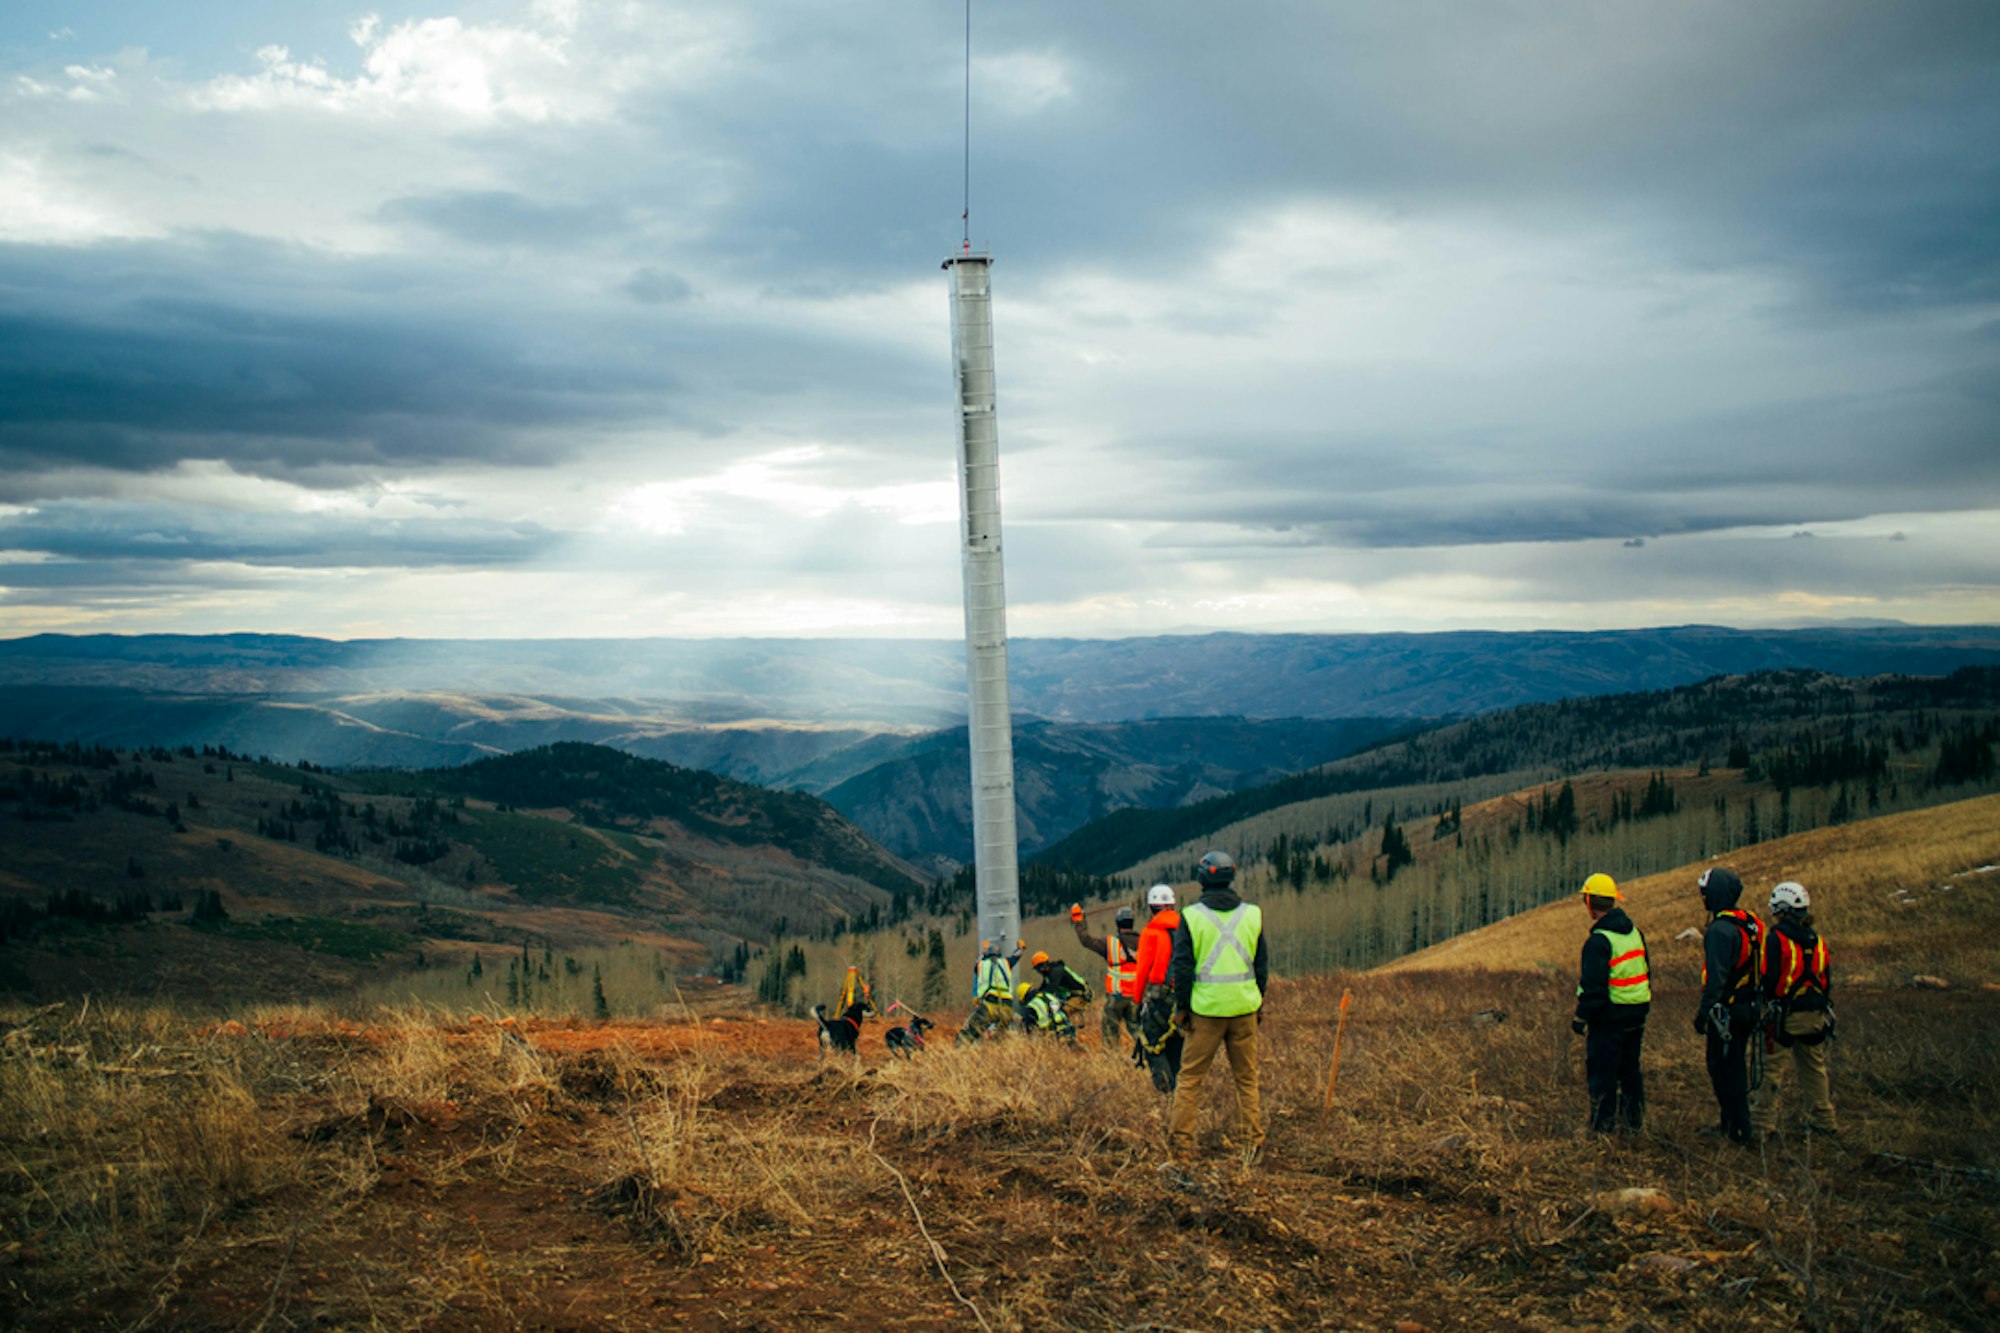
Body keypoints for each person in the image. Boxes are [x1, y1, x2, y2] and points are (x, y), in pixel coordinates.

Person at [1167, 851, 1268, 1162]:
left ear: (1202, 877)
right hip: (1244, 1008)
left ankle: (1182, 1146)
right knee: (1246, 1079)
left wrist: (1182, 1007)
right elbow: (1261, 965)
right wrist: (1258, 1001)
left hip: (1206, 1011)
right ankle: (1252, 1144)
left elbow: (1182, 967)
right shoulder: (1252, 914)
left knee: (1190, 1079)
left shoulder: (1191, 916)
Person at [1752, 880, 1839, 1139]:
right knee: (1814, 1068)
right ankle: (1824, 1119)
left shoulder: (1777, 939)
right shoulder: (1817, 939)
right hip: (1815, 1014)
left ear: (1781, 908)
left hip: (1785, 1016)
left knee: (1771, 1069)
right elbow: (1826, 980)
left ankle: (1761, 1123)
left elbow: (1769, 977)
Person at [1571, 872, 1650, 1134]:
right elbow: (1646, 972)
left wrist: (1580, 1017)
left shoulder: (1598, 942)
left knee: (1602, 1074)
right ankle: (1633, 1124)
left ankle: (1602, 1128)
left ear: (1590, 903)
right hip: (1636, 1015)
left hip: (1609, 1019)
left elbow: (1594, 988)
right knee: (1630, 1071)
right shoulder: (1635, 933)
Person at [1694, 866, 1763, 1144]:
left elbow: (1716, 979)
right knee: (1735, 1067)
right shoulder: (1749, 923)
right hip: (1748, 1007)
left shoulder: (1720, 931)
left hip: (1727, 1013)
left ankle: (1737, 1129)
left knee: (1722, 1069)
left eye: (1706, 893)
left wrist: (1703, 1014)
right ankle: (1733, 1124)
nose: (1703, 899)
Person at [1132, 883, 1184, 1092]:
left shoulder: (1150, 932)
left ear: (1151, 907)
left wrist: (1137, 1001)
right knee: (1176, 1043)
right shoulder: (1186, 928)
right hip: (1185, 997)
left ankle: (1166, 1093)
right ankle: (1179, 1092)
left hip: (1159, 997)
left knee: (1152, 1044)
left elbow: (1142, 970)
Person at [1071, 901, 1143, 1049]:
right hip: (1137, 996)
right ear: (1132, 922)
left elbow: (1086, 940)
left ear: (1117, 923)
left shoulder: (1110, 944)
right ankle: (1149, 1055)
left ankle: (1112, 1058)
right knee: (1139, 1031)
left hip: (1116, 997)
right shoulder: (1144, 941)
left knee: (1110, 1032)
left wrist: (1079, 920)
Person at [958, 938, 1024, 1043]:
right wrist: (1020, 947)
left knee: (972, 1030)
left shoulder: (981, 964)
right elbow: (1016, 956)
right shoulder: (1006, 963)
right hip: (1006, 1006)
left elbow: (977, 962)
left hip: (989, 1004)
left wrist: (983, 951)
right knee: (999, 1036)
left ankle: (961, 1048)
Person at [1027, 950, 1092, 1022]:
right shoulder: (1049, 974)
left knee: (1062, 1013)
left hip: (1081, 995)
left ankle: (1068, 1027)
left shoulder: (1056, 972)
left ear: (1043, 965)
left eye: (1038, 969)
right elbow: (1043, 988)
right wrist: (1035, 994)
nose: (1038, 972)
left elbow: (1050, 989)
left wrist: (1039, 996)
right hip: (1070, 996)